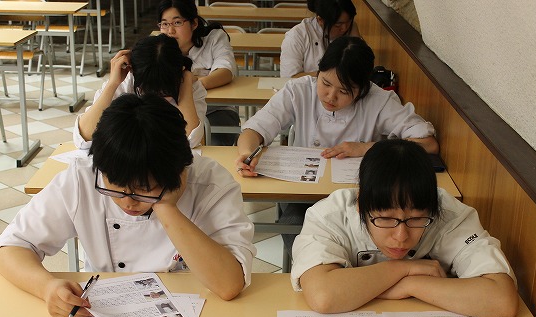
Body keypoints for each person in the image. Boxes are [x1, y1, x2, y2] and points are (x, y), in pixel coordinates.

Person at [0, 94, 255, 317]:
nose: (128, 202)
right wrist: (46, 287)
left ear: (179, 172)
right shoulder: (82, 178)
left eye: (143, 189)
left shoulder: (211, 184)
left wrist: (166, 206)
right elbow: (10, 247)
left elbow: (229, 284)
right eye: (115, 187)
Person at [289, 139, 518, 317]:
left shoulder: (450, 215)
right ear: (360, 205)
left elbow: (502, 299)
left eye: (416, 219)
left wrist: (409, 285)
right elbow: (324, 295)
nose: (401, 236)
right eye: (385, 219)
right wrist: (404, 269)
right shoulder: (329, 215)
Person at [237, 36, 437, 258]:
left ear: (363, 89)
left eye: (344, 91)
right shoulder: (299, 90)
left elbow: (427, 143)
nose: (331, 96)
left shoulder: (379, 101)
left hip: (359, 198)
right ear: (318, 72)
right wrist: (247, 154)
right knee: (293, 225)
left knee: (361, 238)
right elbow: (254, 129)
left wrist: (365, 148)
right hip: (304, 195)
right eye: (325, 83)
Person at [74, 34, 207, 150]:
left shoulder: (190, 88)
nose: (156, 98)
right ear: (132, 71)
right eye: (148, 90)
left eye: (164, 92)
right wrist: (112, 84)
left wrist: (186, 80)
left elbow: (190, 141)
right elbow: (83, 138)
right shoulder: (124, 83)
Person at [158, 0, 240, 145]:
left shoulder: (214, 38)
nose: (170, 31)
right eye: (165, 24)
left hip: (215, 110)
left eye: (177, 23)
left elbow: (225, 72)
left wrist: (189, 84)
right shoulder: (158, 46)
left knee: (214, 147)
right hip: (172, 111)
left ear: (194, 23)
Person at [280, 0, 361, 78]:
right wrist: (330, 74)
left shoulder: (351, 28)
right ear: (320, 20)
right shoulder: (297, 36)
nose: (344, 28)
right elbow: (289, 77)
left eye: (349, 21)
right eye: (338, 25)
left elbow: (360, 66)